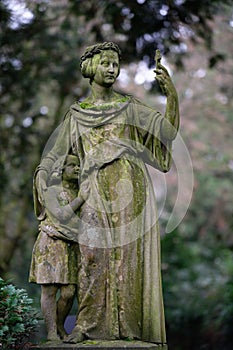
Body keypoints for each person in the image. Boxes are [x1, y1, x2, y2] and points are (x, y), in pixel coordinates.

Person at [35, 42, 179, 347]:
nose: (112, 69)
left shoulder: (130, 108)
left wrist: (171, 96)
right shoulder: (76, 115)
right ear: (90, 68)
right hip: (93, 193)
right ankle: (86, 325)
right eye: (105, 63)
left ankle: (127, 327)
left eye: (115, 64)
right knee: (91, 258)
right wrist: (43, 177)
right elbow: (56, 156)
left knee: (127, 260)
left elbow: (165, 133)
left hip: (131, 189)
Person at [29, 154, 89, 342]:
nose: (77, 169)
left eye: (78, 166)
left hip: (69, 246)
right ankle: (52, 331)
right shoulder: (53, 191)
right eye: (72, 165)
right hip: (50, 243)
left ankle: (60, 324)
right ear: (60, 170)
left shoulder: (77, 190)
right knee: (49, 290)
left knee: (69, 291)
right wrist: (80, 199)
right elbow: (61, 214)